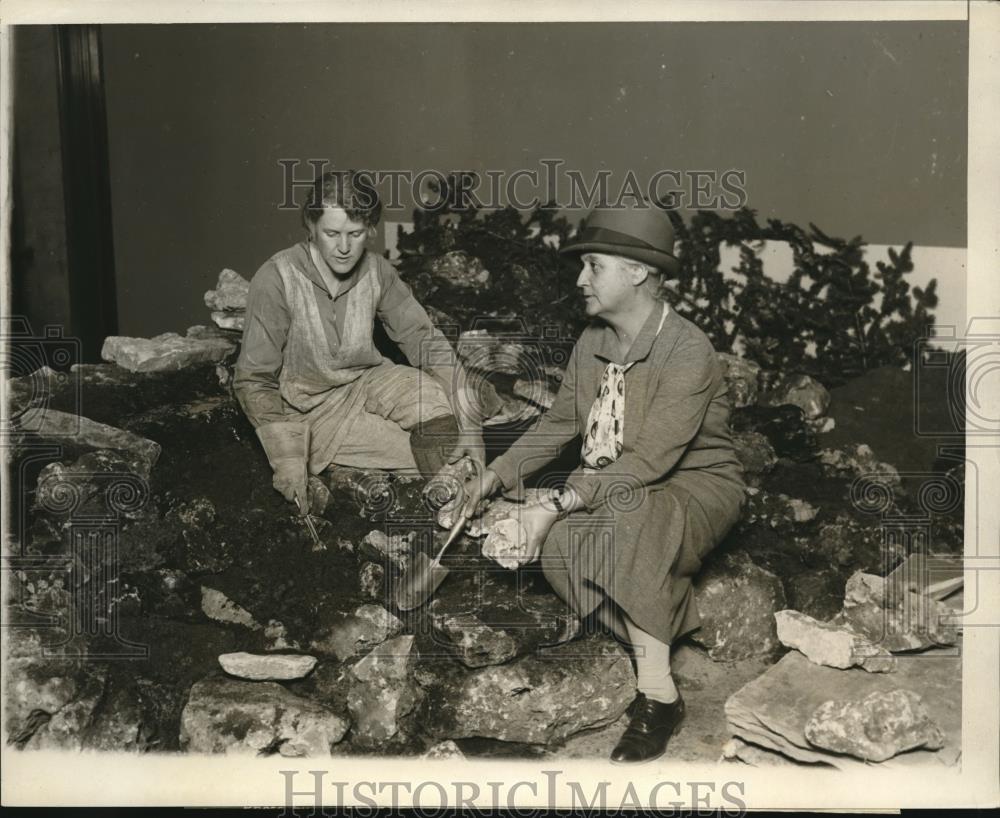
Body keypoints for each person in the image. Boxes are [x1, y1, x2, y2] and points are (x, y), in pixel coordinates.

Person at [460, 203, 745, 764]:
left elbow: (650, 461)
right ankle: (655, 626)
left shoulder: (686, 349)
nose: (580, 279)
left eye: (594, 266)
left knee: (629, 514)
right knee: (558, 547)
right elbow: (560, 423)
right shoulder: (593, 339)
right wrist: (494, 476)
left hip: (694, 486)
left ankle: (659, 695)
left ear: (637, 271)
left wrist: (557, 500)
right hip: (621, 480)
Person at [233, 170, 488, 514]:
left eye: (355, 234)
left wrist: (471, 424)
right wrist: (286, 455)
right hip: (311, 410)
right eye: (331, 233)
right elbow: (253, 378)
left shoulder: (377, 271)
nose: (343, 248)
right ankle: (450, 502)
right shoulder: (277, 278)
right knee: (412, 454)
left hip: (369, 380)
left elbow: (424, 339)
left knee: (436, 402)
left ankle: (463, 493)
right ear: (311, 226)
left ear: (370, 229)